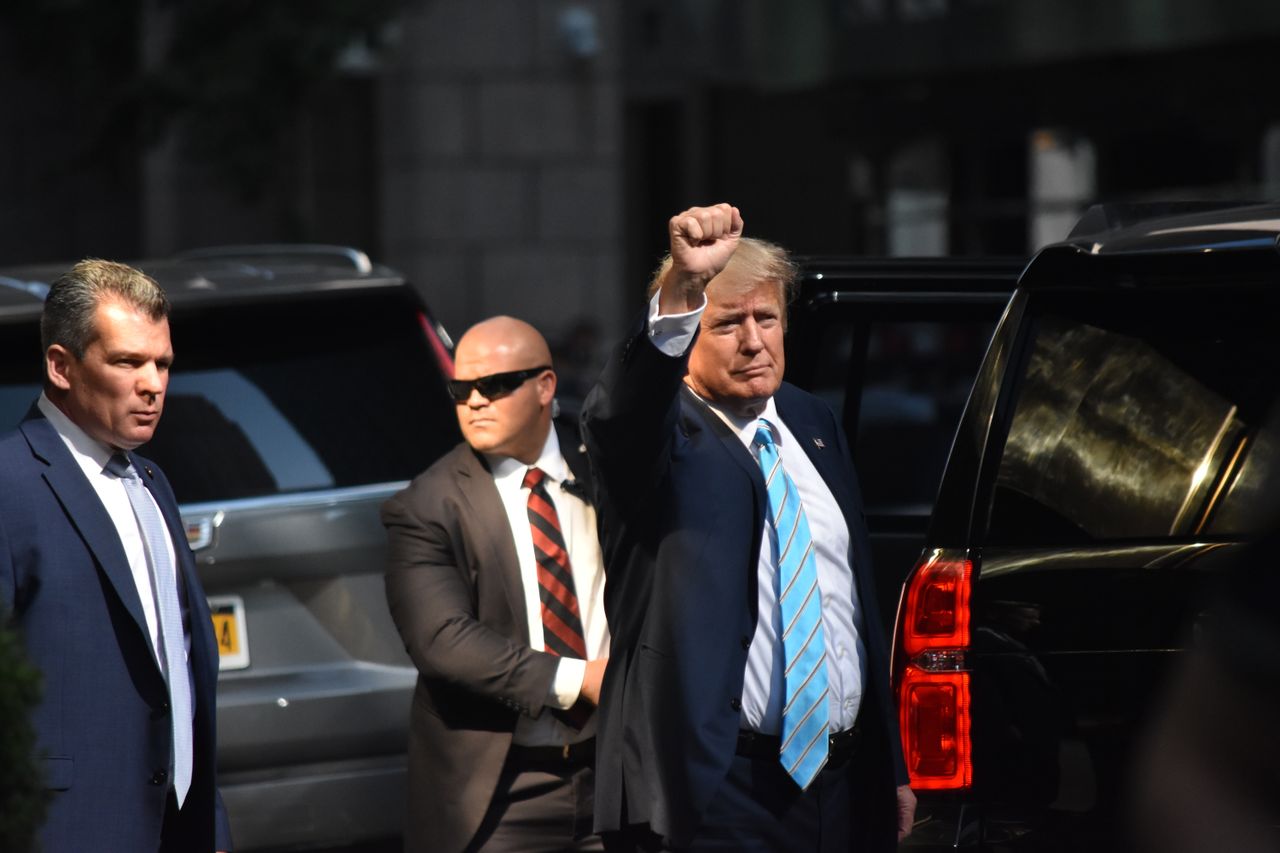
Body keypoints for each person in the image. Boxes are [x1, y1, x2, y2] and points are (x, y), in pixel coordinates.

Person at [581, 204, 916, 851]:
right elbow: (621, 414)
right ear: (688, 341)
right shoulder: (661, 437)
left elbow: (853, 600)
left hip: (842, 784)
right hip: (717, 787)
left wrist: (891, 765)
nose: (754, 340)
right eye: (729, 323)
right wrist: (681, 289)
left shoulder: (812, 420)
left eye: (767, 318)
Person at [0, 259, 231, 852]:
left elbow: (177, 675)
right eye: (127, 362)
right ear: (61, 366)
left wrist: (212, 825)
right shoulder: (10, 484)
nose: (153, 382)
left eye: (162, 363)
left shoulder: (151, 482)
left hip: (179, 824)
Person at [383, 316, 610, 853]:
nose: (475, 401)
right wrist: (581, 680)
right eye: (461, 389)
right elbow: (443, 642)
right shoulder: (426, 504)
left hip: (616, 773)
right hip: (502, 791)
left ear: (544, 387)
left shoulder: (604, 466)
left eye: (495, 385)